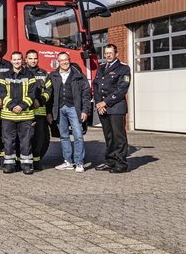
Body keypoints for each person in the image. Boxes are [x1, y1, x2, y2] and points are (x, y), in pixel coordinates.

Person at [0, 51, 37, 174]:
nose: (17, 62)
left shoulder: (29, 76)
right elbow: (1, 93)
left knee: (26, 141)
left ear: (22, 61)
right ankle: (9, 164)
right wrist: (13, 106)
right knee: (8, 141)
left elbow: (32, 94)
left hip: (25, 115)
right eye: (14, 60)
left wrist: (21, 106)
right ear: (11, 61)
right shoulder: (5, 75)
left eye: (19, 59)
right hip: (8, 115)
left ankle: (27, 164)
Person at [48, 53, 91, 173]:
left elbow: (86, 94)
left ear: (69, 60)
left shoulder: (78, 75)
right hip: (59, 109)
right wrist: (49, 112)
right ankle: (68, 161)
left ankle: (79, 163)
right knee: (64, 136)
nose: (64, 62)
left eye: (66, 60)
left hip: (74, 109)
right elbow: (49, 94)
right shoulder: (53, 75)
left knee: (78, 136)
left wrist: (85, 110)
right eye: (61, 60)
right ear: (58, 62)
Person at [93, 44, 131, 173]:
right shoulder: (101, 67)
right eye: (106, 53)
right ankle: (110, 161)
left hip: (116, 108)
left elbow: (121, 90)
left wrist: (105, 102)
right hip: (103, 108)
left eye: (110, 53)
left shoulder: (123, 68)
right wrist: (99, 103)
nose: (107, 55)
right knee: (108, 137)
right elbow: (96, 86)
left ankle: (121, 164)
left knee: (118, 137)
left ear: (116, 54)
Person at [25, 49, 52, 169]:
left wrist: (40, 101)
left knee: (40, 138)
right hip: (25, 113)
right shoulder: (22, 73)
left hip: (40, 112)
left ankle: (36, 161)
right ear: (25, 59)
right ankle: (25, 161)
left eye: (35, 58)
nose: (33, 60)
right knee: (25, 138)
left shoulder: (44, 74)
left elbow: (49, 90)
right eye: (30, 58)